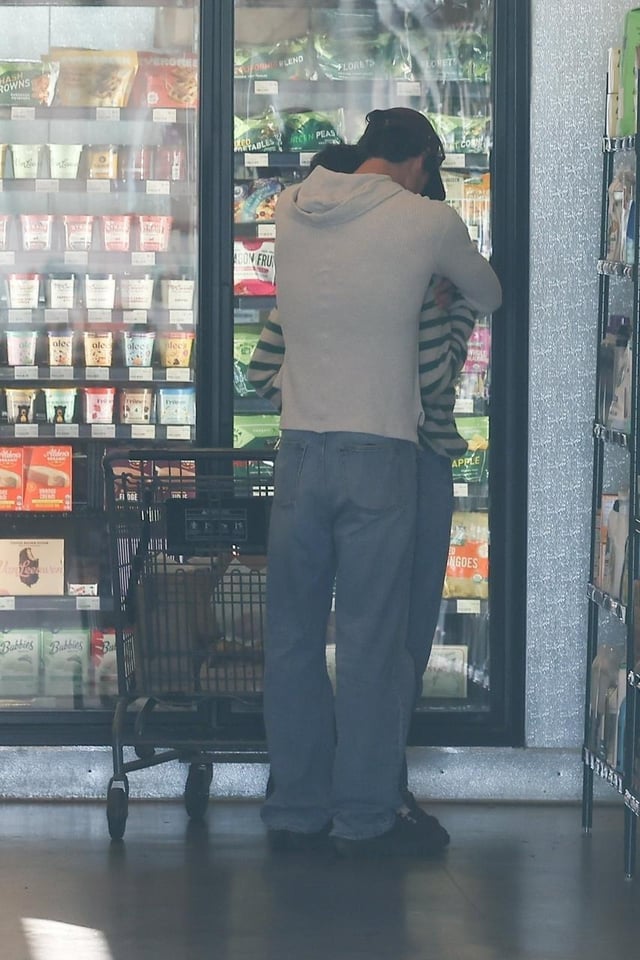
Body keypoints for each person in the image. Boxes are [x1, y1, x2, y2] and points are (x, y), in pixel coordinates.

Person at [259, 107, 501, 858]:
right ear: (420, 160)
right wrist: (431, 285)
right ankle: (363, 815)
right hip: (383, 453)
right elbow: (487, 292)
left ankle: (295, 808)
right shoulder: (424, 220)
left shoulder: (289, 210)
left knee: (293, 640)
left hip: (299, 449)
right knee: (369, 641)